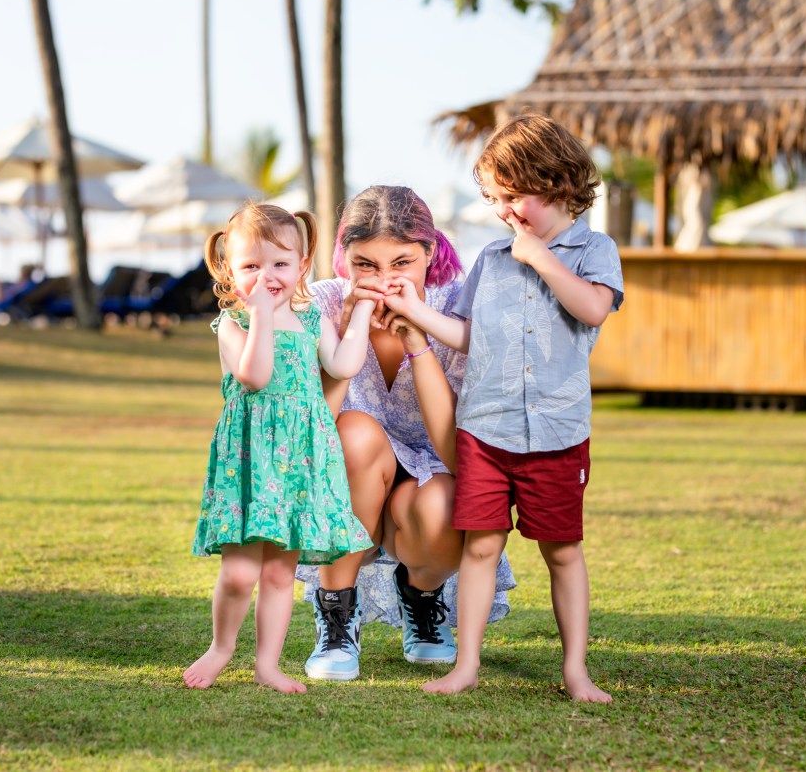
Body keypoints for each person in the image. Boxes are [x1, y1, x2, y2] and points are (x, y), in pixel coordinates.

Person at [386, 114, 623, 702]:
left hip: (557, 435)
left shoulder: (595, 250)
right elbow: (468, 335)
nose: (504, 212)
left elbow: (592, 309)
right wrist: (417, 312)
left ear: (558, 183)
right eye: (495, 199)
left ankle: (576, 671)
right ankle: (465, 665)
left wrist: (541, 257)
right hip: (485, 431)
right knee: (482, 547)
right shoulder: (491, 258)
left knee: (562, 551)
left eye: (514, 197)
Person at [297, 185, 516, 682]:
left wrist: (417, 338)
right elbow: (312, 428)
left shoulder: (454, 309)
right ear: (343, 258)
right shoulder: (322, 304)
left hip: (427, 475)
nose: (385, 280)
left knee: (444, 501)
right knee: (353, 434)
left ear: (429, 254)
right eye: (366, 264)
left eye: (401, 263)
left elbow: (459, 456)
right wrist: (354, 324)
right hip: (351, 472)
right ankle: (337, 611)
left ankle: (421, 597)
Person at [183, 203, 377, 693]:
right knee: (238, 573)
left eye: (280, 265)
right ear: (230, 271)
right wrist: (262, 314)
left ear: (301, 266)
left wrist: (363, 310)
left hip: (298, 463)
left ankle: (268, 663)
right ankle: (221, 647)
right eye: (251, 266)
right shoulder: (233, 326)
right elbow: (255, 374)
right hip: (251, 465)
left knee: (276, 577)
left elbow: (345, 363)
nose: (267, 276)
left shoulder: (312, 322)